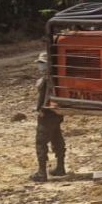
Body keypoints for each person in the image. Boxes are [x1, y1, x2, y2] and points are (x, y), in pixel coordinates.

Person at [31, 52, 65, 182]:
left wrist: (40, 109)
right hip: (56, 113)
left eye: (41, 63)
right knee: (57, 139)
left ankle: (42, 173)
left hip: (47, 114)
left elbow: (44, 97)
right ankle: (60, 168)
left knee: (41, 142)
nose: (39, 66)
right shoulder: (57, 76)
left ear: (47, 64)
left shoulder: (46, 79)